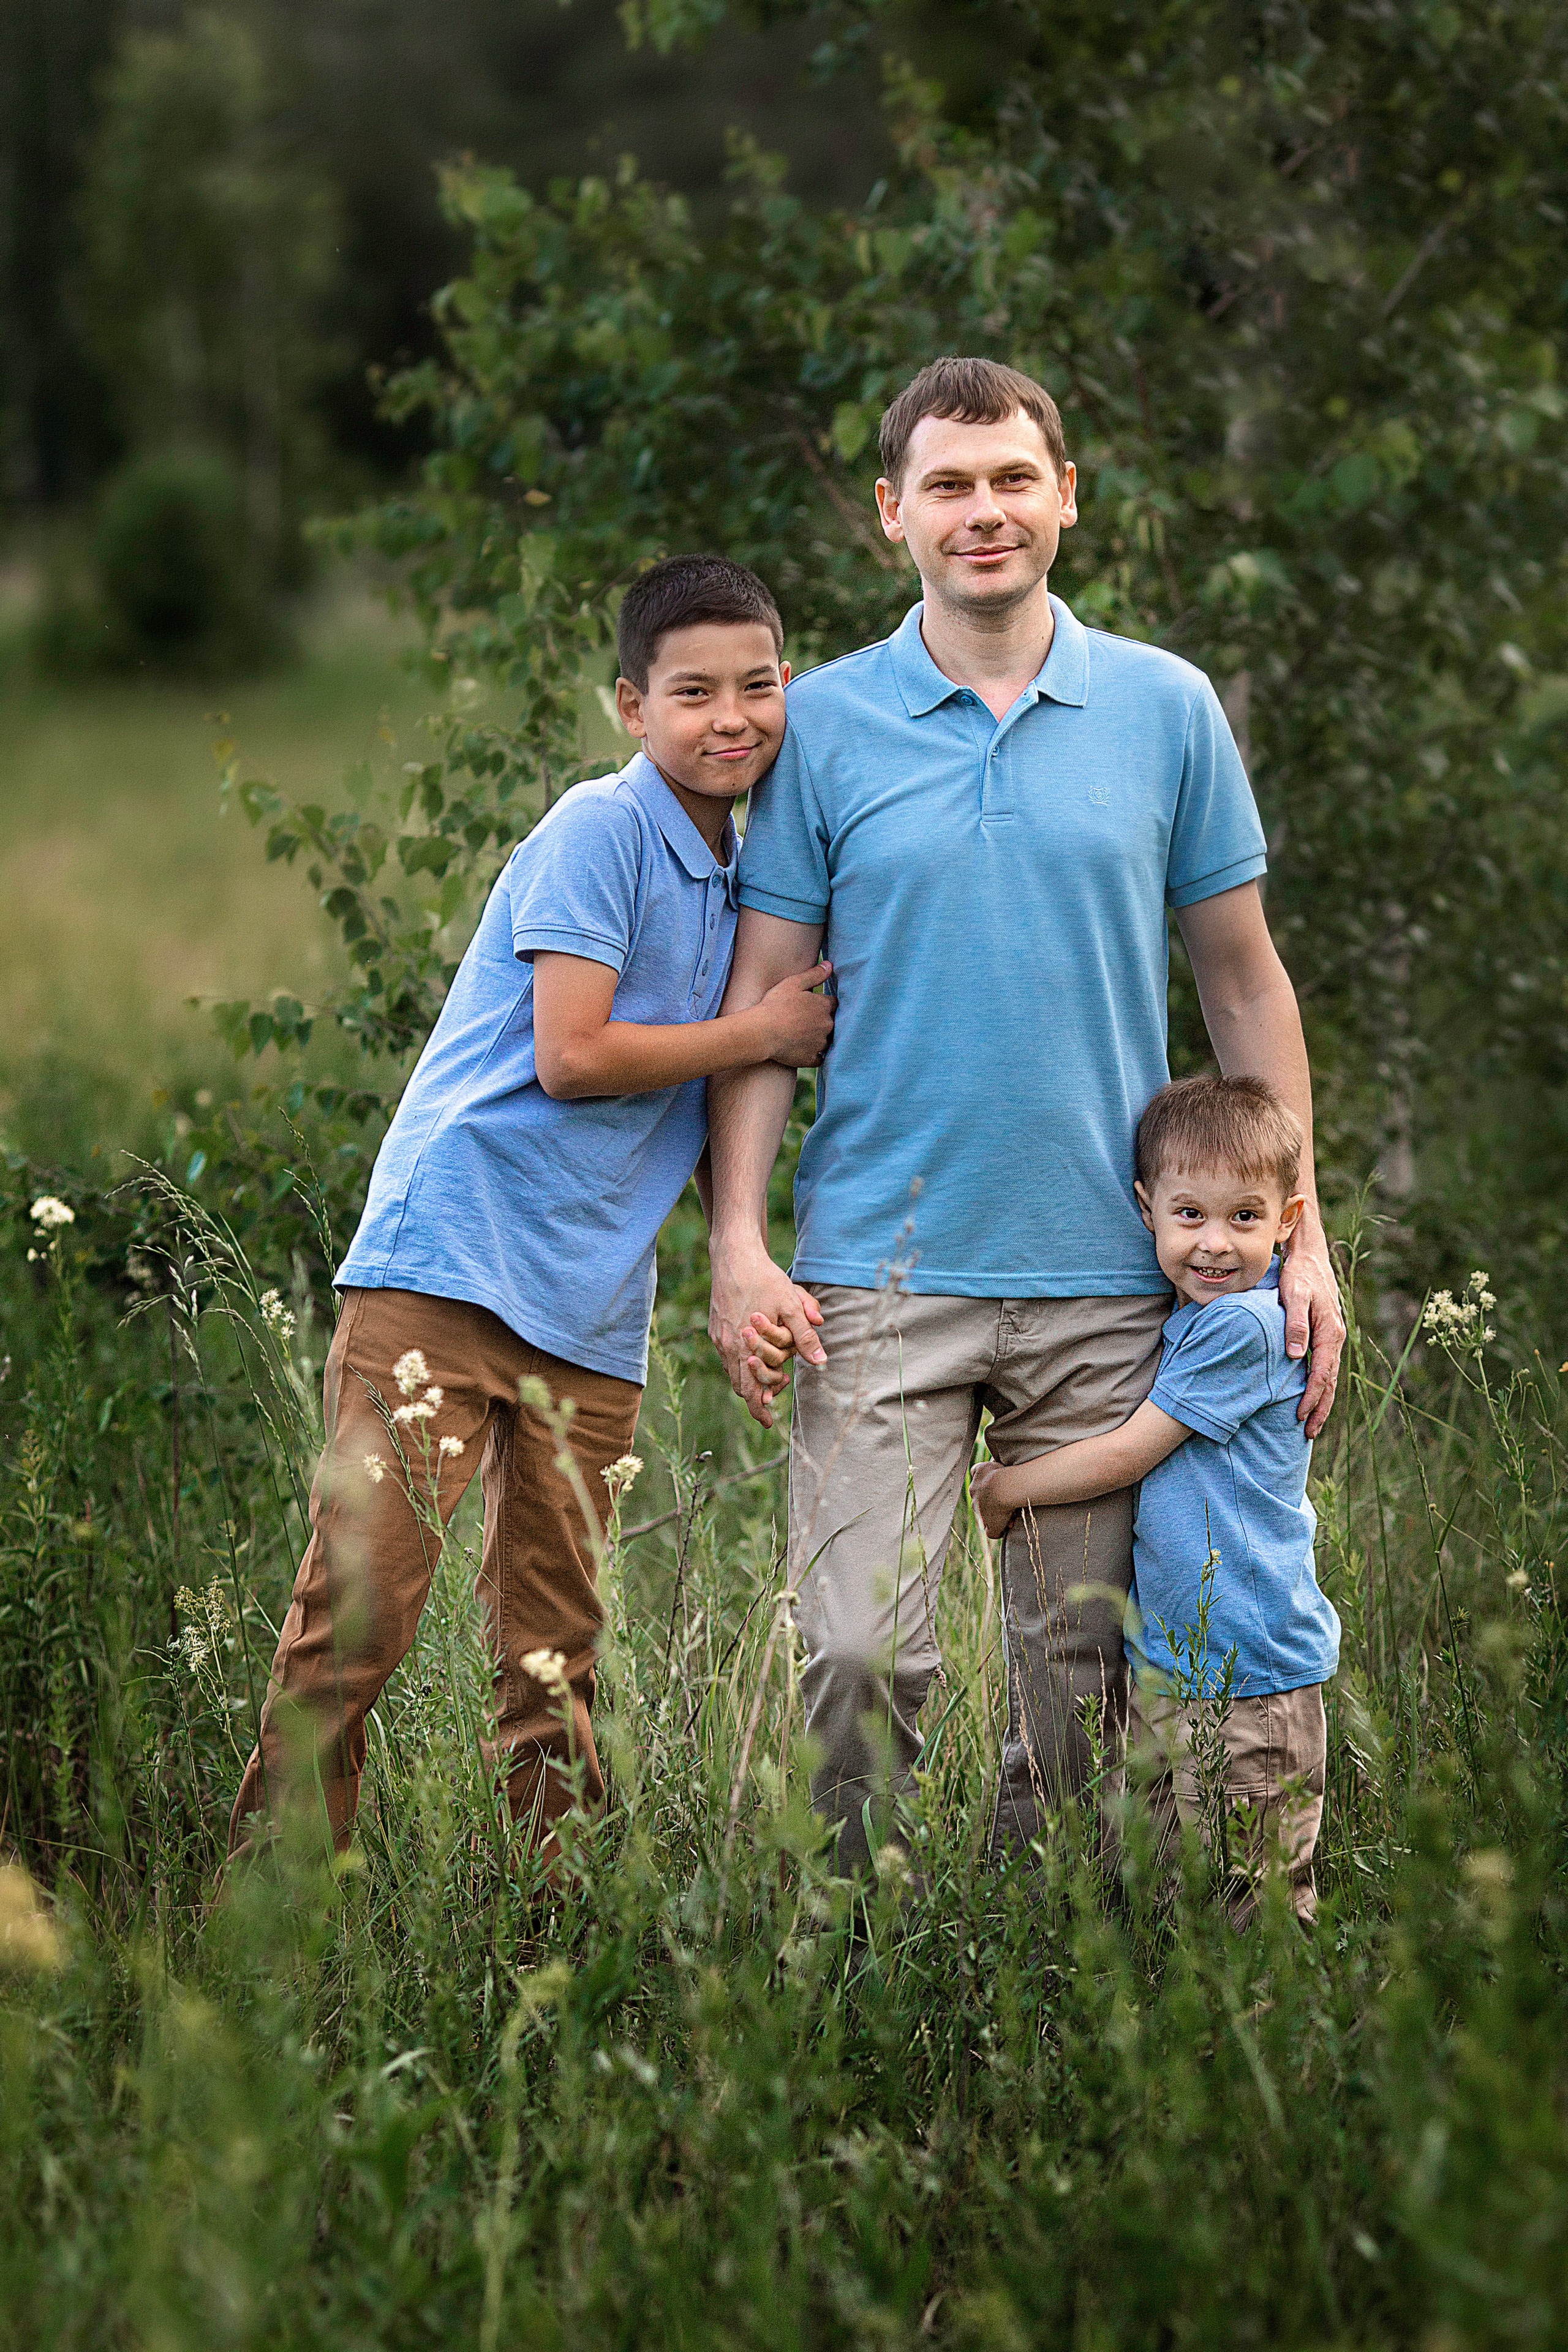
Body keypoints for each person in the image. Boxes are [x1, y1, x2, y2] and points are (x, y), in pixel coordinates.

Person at [707, 355, 1344, 1875]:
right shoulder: (826, 727)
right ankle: (840, 1948)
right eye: (946, 483)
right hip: (879, 1268)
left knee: (1080, 1690)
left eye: (1010, 479)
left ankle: (1024, 1965)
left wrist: (1301, 1238)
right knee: (860, 1653)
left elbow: (1245, 987)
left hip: (1109, 1283)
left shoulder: (1164, 709)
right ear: (891, 514)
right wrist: (737, 1239)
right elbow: (764, 1009)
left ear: (1066, 494)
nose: (980, 512)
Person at [228, 554, 834, 1863]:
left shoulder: (755, 875)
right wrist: (756, 1030)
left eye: (756, 687)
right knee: (360, 1616)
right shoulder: (598, 830)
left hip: (588, 1304)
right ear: (631, 705)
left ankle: (556, 1932)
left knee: (555, 1652)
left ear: (789, 687)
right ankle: (264, 1927)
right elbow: (572, 1053)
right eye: (691, 693)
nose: (729, 718)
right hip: (447, 1269)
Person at [972, 1074, 1341, 1925]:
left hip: (1248, 1673)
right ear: (1146, 1210)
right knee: (1179, 1896)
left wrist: (1008, 1489)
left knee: (1253, 1905)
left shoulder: (1246, 1327)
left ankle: (1276, 2050)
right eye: (1190, 1215)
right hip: (1179, 1669)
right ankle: (1196, 2049)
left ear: (1289, 1222)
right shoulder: (1192, 1321)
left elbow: (1133, 1451)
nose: (1214, 1244)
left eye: (1245, 1217)